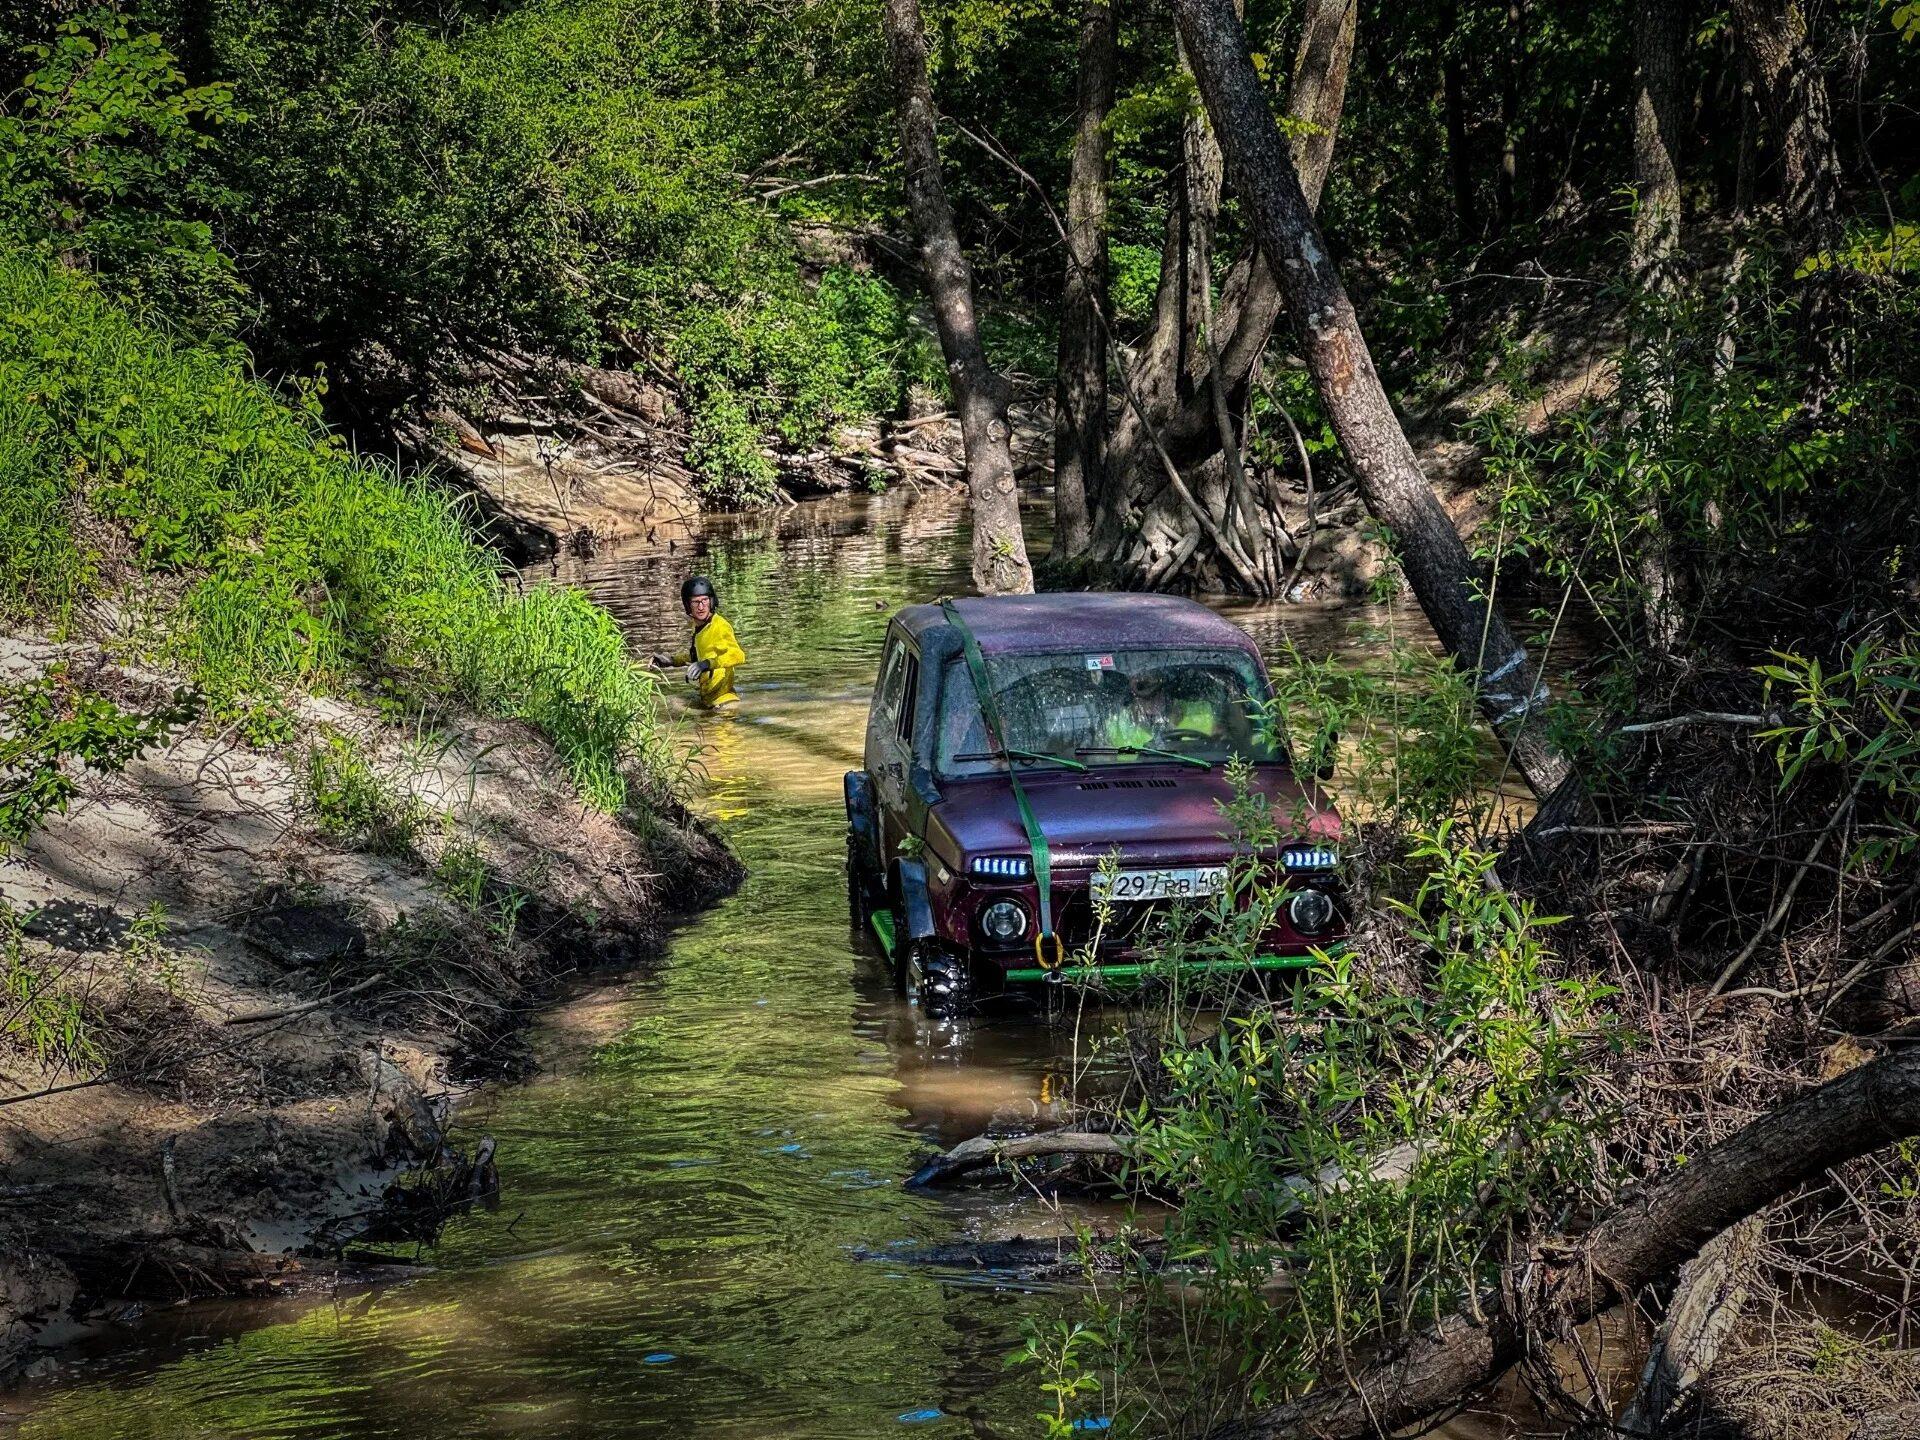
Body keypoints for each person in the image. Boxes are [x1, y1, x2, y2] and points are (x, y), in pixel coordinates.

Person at [651, 575, 745, 709]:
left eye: (705, 600)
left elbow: (738, 655)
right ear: (688, 605)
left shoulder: (720, 626)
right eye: (695, 602)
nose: (701, 607)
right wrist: (672, 661)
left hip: (725, 702)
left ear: (712, 601)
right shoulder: (698, 627)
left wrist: (707, 664)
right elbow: (699, 656)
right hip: (708, 700)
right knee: (669, 703)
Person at [1103, 669, 1217, 752]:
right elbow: (1105, 761)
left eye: (1155, 694)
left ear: (1166, 690)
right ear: (1133, 695)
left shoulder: (1204, 712)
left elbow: (1223, 748)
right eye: (1144, 698)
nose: (1151, 703)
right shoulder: (1115, 725)